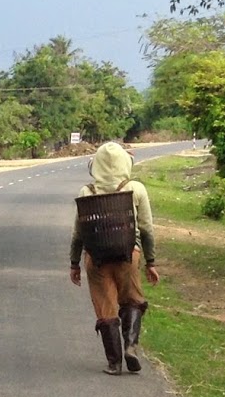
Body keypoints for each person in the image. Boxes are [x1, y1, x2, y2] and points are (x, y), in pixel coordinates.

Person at [69, 142, 160, 375]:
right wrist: (150, 262)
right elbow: (147, 229)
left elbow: (78, 233)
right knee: (132, 300)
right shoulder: (136, 188)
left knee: (105, 307)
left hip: (96, 259)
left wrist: (74, 263)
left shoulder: (86, 193)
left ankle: (114, 362)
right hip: (129, 256)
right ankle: (130, 345)